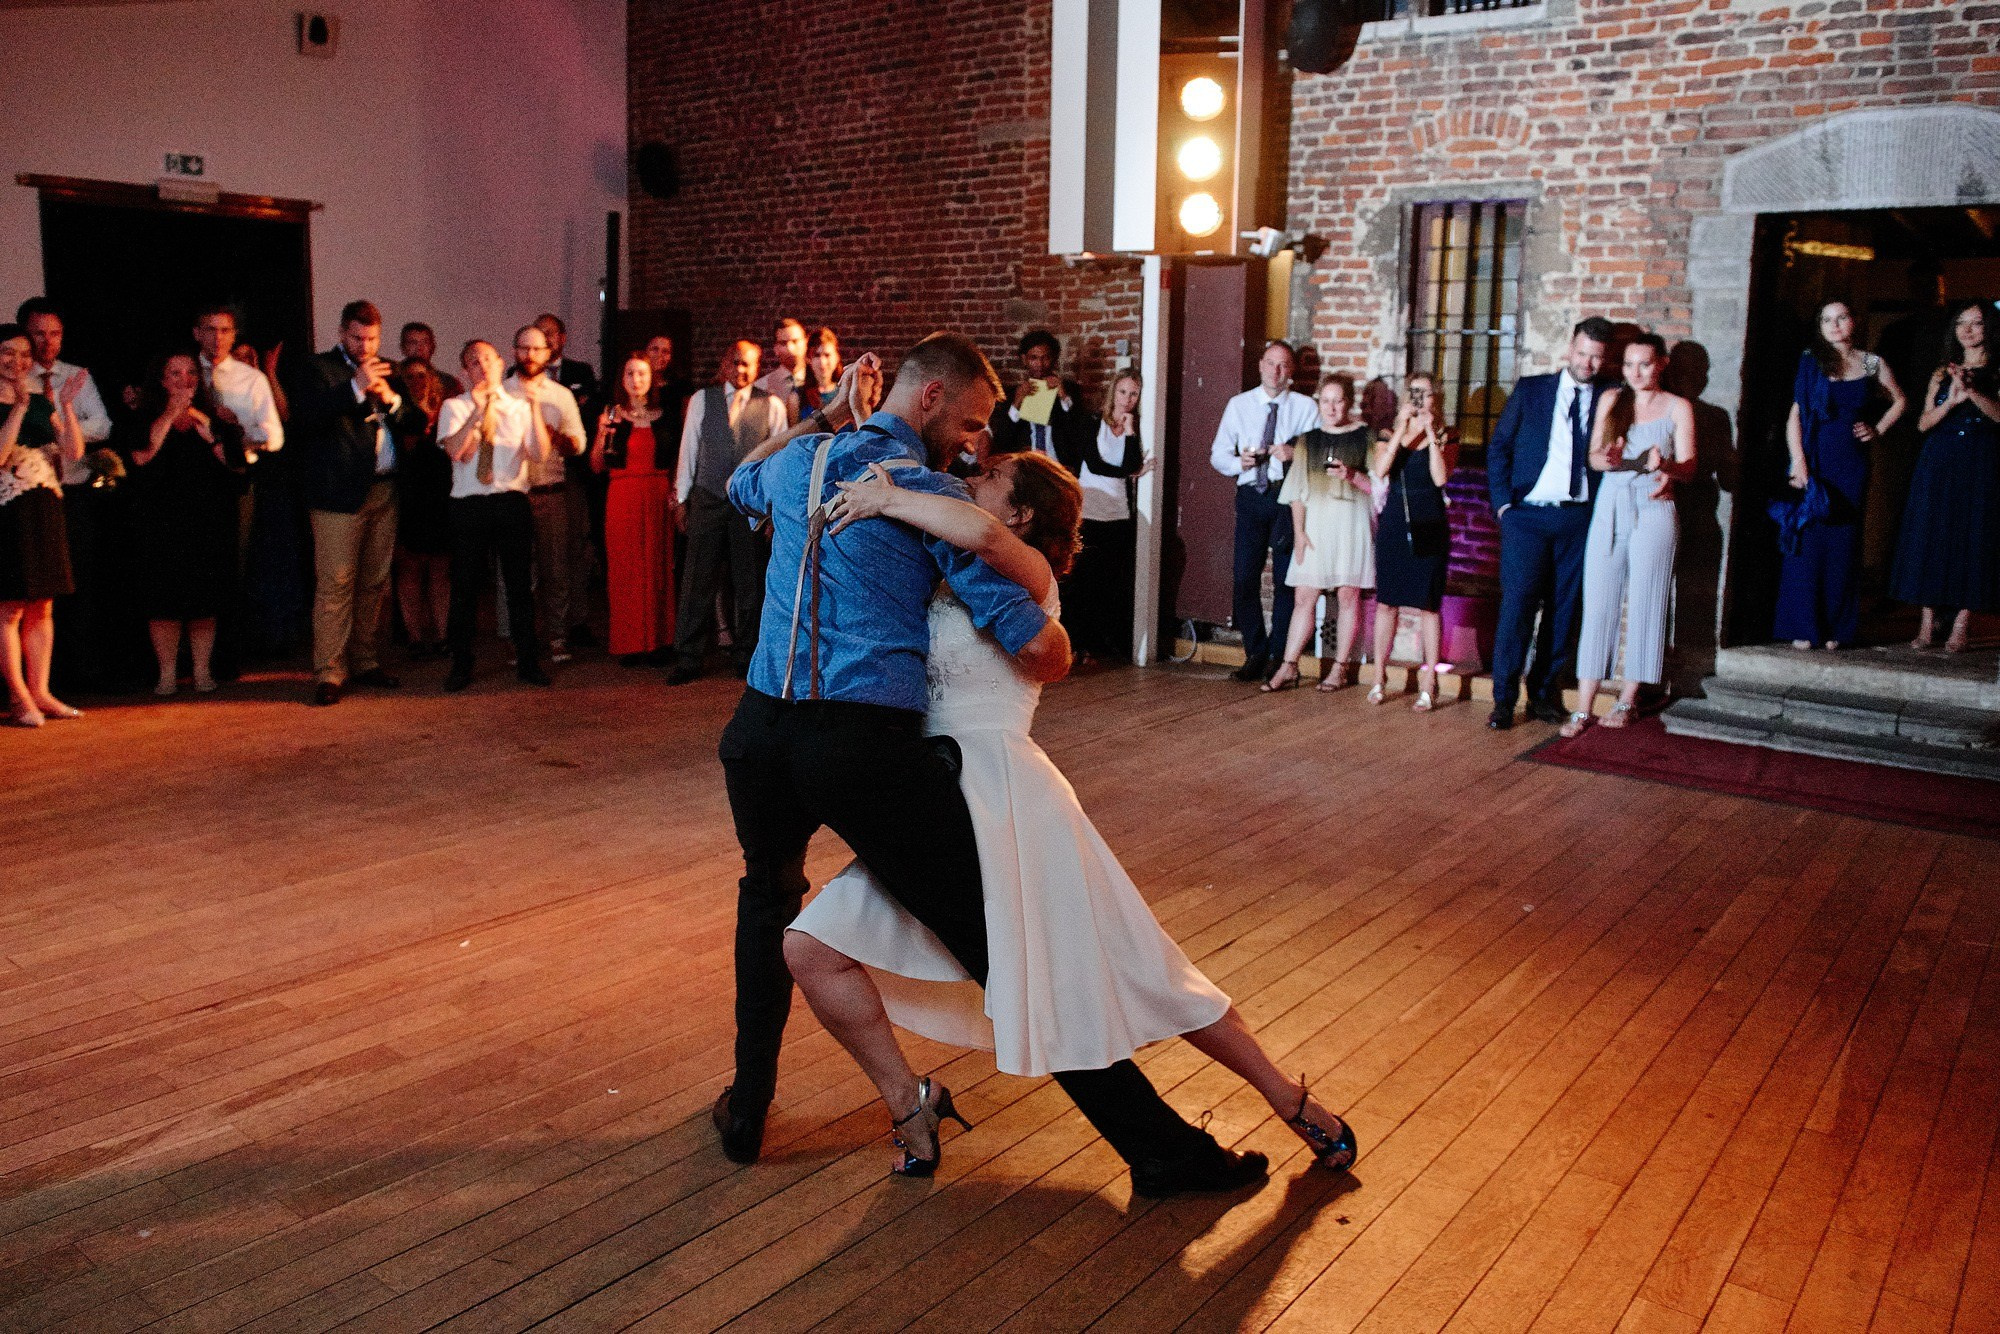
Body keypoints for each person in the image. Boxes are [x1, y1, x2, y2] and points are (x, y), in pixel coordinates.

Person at [715, 334, 1269, 1196]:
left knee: (767, 899)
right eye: (972, 421)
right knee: (995, 941)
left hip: (757, 732)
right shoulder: (926, 493)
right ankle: (1161, 1151)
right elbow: (1029, 638)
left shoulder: (800, 462)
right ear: (930, 398)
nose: (977, 442)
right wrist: (1048, 638)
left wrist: (824, 415)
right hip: (859, 746)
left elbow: (738, 482)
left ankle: (748, 1110)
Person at [785, 447, 1356, 1179]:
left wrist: (885, 496)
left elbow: (982, 536)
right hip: (930, 795)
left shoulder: (1026, 571)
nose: (972, 478)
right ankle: (911, 1100)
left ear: (1022, 513)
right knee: (811, 949)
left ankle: (1287, 1098)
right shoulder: (944, 563)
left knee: (1142, 966)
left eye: (991, 477)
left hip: (1010, 797)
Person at [1485, 317, 1615, 730]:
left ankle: (1542, 696)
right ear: (1569, 349)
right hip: (1526, 516)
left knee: (1564, 609)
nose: (1587, 363)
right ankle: (1503, 700)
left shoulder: (1612, 398)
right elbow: (1499, 448)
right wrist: (1504, 507)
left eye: (1596, 357)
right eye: (1582, 353)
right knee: (1517, 607)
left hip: (1578, 518)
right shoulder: (1532, 390)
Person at [1563, 335, 1697, 736]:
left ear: (1662, 364)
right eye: (1628, 364)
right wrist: (1609, 459)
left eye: (1644, 364)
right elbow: (1593, 458)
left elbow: (1690, 468)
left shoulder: (1678, 407)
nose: (1635, 373)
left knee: (1646, 602)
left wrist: (1666, 466)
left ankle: (1627, 700)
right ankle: (1583, 707)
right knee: (1598, 604)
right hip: (1611, 505)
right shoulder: (1612, 400)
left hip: (1655, 507)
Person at [293, 301, 424, 705]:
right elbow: (308, 418)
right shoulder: (318, 369)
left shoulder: (390, 370)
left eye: (372, 339)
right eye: (356, 338)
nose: (365, 346)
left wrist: (391, 398)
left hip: (384, 489)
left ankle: (365, 660)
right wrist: (354, 387)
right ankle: (330, 671)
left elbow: (417, 422)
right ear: (341, 333)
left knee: (374, 582)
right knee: (336, 583)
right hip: (337, 494)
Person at [1774, 300, 1906, 651]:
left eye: (1841, 317)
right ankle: (1804, 625)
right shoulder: (1811, 360)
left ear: (1854, 321)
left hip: (1851, 462)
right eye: (1826, 320)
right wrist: (1798, 461)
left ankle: (1837, 627)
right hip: (1814, 456)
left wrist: (1877, 429)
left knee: (1843, 544)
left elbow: (1900, 400)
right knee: (1807, 541)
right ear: (1820, 326)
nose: (1834, 325)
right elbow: (1796, 415)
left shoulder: (1871, 361)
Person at [666, 339, 785, 684]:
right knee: (697, 579)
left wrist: (772, 510)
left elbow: (777, 461)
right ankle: (688, 656)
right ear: (724, 363)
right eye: (735, 362)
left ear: (757, 367)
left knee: (749, 582)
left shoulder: (772, 405)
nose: (741, 369)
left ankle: (747, 655)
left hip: (749, 504)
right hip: (707, 497)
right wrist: (682, 499)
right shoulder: (702, 400)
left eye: (748, 363)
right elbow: (689, 449)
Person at [437, 339, 552, 691]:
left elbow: (539, 453)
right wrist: (478, 412)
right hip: (469, 503)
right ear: (465, 372)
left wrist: (534, 408)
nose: (483, 366)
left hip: (509, 500)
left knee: (518, 584)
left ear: (501, 364)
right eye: (474, 362)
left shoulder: (518, 406)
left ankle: (528, 661)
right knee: (465, 585)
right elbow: (455, 451)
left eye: (488, 359)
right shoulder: (454, 406)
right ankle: (461, 662)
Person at [127, 353, 245, 697]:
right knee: (163, 601)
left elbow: (236, 467)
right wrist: (169, 414)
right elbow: (141, 457)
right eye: (175, 373)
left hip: (206, 519)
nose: (185, 379)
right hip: (160, 521)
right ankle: (167, 674)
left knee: (204, 599)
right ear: (162, 380)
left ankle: (202, 670)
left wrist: (208, 431)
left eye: (191, 372)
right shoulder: (144, 416)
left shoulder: (214, 417)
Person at [1890, 300, 2000, 652]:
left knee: (1972, 535)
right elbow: (1923, 423)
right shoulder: (1941, 372)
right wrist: (1950, 401)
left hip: (1981, 459)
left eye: (1976, 323)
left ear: (1989, 328)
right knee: (1931, 532)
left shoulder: (1996, 371)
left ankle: (1961, 625)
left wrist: (1972, 392)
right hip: (1939, 458)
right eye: (1961, 323)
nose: (1967, 330)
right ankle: (1926, 623)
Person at [18, 298, 114, 696]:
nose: (47, 342)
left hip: (72, 491)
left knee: (77, 585)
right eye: (39, 334)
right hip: (27, 494)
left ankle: (80, 673)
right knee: (30, 591)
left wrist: (57, 435)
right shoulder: (14, 377)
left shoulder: (75, 375)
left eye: (55, 333)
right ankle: (34, 681)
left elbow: (102, 424)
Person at [1210, 340, 1318, 683]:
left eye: (1283, 365)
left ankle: (1277, 656)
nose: (1276, 371)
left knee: (1286, 580)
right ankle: (1255, 651)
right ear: (1260, 366)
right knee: (1244, 577)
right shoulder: (1239, 405)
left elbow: (1318, 454)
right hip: (1251, 495)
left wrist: (1294, 454)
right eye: (1271, 363)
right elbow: (1217, 455)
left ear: (1291, 371)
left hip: (1288, 498)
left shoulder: (1305, 407)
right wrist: (1238, 462)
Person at [1263, 374, 1373, 692]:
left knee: (1348, 596)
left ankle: (1339, 669)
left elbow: (1378, 487)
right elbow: (1296, 491)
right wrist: (1299, 532)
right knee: (1304, 597)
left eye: (1338, 401)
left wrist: (1351, 475)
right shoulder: (1307, 440)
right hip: (1316, 527)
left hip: (1351, 525)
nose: (1331, 407)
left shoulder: (1365, 436)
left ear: (1348, 403)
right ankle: (1289, 666)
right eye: (1326, 401)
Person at [0, 322, 86, 726]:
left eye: (24, 354)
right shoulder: (19, 403)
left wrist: (65, 406)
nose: (17, 361)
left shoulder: (38, 400)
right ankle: (18, 698)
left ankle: (41, 691)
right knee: (10, 606)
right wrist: (17, 408)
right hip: (7, 509)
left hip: (44, 504)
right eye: (7, 352)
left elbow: (72, 451)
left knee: (43, 603)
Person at [1369, 372, 1456, 711]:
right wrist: (1401, 430)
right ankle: (1379, 677)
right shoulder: (1387, 433)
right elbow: (1381, 469)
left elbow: (1440, 477)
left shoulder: (1448, 434)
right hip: (1395, 522)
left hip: (1430, 522)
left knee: (1428, 605)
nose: (1420, 399)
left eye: (1426, 393)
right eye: (1414, 393)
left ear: (1436, 398)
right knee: (1386, 603)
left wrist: (1431, 433)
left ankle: (1429, 682)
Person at [508, 324, 588, 667]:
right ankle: (519, 640)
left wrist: (558, 438)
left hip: (552, 491)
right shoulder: (502, 392)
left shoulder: (560, 395)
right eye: (524, 348)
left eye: (537, 349)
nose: (530, 355)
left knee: (555, 568)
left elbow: (578, 445)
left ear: (548, 353)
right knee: (515, 573)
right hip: (513, 494)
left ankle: (557, 636)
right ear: (515, 351)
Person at [592, 353, 675, 663]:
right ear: (622, 379)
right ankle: (630, 643)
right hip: (623, 496)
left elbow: (676, 458)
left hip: (658, 494)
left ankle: (660, 641)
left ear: (651, 379)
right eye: (630, 374)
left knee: (658, 567)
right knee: (625, 569)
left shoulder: (665, 416)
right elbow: (596, 465)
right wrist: (601, 433)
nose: (636, 379)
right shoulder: (611, 415)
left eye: (642, 373)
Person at [1066, 369, 1149, 662]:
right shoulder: (1093, 422)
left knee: (1108, 582)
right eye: (1123, 392)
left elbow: (1132, 461)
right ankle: (1075, 643)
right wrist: (1131, 471)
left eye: (1134, 394)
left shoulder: (1134, 427)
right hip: (1090, 509)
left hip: (1118, 512)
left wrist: (1130, 432)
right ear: (1114, 392)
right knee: (1081, 579)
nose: (1128, 399)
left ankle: (1097, 645)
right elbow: (1095, 464)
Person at [535, 312, 603, 652]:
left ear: (562, 337)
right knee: (539, 555)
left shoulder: (581, 373)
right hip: (533, 476)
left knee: (574, 548)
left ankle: (576, 621)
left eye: (551, 333)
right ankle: (537, 626)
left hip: (573, 473)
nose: (546, 339)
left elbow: (586, 418)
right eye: (540, 333)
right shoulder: (517, 377)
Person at [391, 359, 452, 660]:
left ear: (432, 379)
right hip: (408, 496)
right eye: (410, 377)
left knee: (441, 568)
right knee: (410, 567)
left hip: (441, 496)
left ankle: (443, 635)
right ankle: (414, 637)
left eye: (421, 376)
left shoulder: (447, 409)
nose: (417, 381)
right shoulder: (397, 412)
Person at [988, 329, 1094, 465]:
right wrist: (1016, 404)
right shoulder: (1013, 393)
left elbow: (1079, 433)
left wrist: (1063, 397)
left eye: (1046, 358)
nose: (1040, 364)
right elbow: (1002, 442)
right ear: (1024, 359)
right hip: (1026, 464)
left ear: (1053, 359)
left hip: (1058, 463)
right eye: (1034, 358)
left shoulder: (1070, 390)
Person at [754, 317, 809, 424]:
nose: (790, 348)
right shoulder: (762, 388)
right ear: (775, 348)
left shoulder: (821, 383)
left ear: (806, 342)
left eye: (795, 341)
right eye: (783, 343)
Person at [400, 322, 464, 398]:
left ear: (432, 346)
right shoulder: (391, 379)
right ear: (403, 347)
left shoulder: (448, 384)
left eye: (425, 342)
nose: (420, 348)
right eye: (413, 343)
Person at [802, 327, 842, 414]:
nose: (822, 362)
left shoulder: (845, 392)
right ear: (808, 359)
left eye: (827, 355)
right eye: (817, 355)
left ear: (837, 357)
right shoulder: (799, 397)